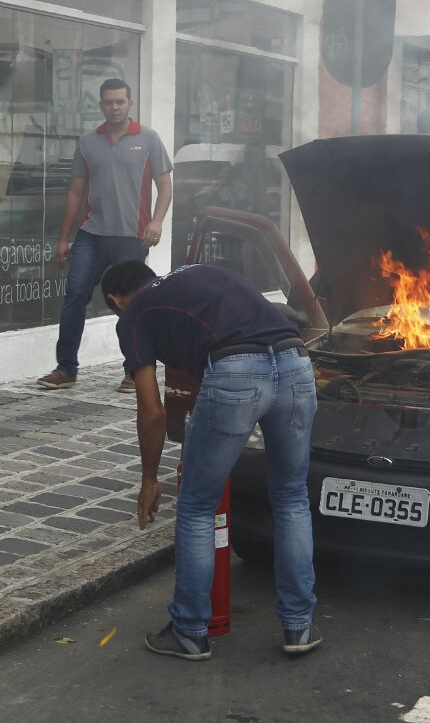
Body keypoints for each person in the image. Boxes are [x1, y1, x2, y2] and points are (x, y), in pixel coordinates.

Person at [101, 261, 320, 662]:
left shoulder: (132, 315)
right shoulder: (196, 273)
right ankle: (299, 625)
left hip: (236, 371)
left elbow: (151, 412)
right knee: (291, 497)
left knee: (198, 506)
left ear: (116, 299)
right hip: (296, 364)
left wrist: (149, 481)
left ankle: (188, 630)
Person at [38, 79, 172, 394]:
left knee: (132, 304)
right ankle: (66, 369)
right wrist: (63, 238)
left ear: (130, 104)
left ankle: (133, 370)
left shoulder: (149, 139)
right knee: (74, 297)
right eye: (109, 102)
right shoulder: (87, 142)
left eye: (120, 102)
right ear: (101, 105)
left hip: (132, 236)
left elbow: (165, 187)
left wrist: (156, 222)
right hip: (92, 234)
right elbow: (75, 192)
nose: (114, 107)